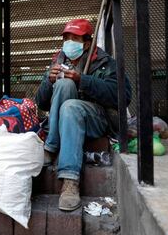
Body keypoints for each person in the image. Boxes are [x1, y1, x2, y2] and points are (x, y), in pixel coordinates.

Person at [35, 19, 132, 211]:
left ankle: (70, 181)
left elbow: (123, 96)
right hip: (64, 122)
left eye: (75, 38)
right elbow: (41, 102)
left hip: (96, 118)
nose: (69, 42)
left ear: (87, 43)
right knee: (63, 84)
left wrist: (83, 80)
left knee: (71, 106)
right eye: (66, 38)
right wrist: (49, 80)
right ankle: (51, 148)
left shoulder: (104, 63)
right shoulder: (59, 60)